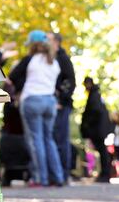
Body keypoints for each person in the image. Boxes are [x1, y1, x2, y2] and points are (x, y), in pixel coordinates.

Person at [8, 30, 65, 187]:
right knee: (49, 140)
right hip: (50, 102)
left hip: (32, 101)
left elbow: (12, 77)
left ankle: (41, 178)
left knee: (36, 140)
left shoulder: (29, 60)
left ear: (33, 45)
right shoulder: (54, 62)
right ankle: (58, 177)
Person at [49, 32, 75, 182]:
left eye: (49, 39)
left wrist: (61, 99)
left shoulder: (63, 59)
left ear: (56, 42)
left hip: (61, 105)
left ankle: (64, 174)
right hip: (52, 103)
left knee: (61, 139)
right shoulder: (49, 58)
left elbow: (71, 80)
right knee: (53, 139)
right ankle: (56, 174)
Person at [80, 76, 112, 183]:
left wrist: (88, 125)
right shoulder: (95, 95)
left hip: (98, 129)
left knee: (102, 151)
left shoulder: (94, 96)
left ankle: (106, 173)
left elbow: (95, 112)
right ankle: (105, 173)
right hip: (98, 128)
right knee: (102, 150)